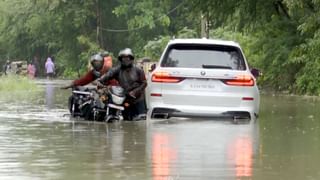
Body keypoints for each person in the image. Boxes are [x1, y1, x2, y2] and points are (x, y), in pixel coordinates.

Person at [96, 48, 147, 121]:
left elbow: (144, 83)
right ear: (121, 59)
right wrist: (100, 81)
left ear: (131, 58)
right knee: (126, 120)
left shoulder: (138, 70)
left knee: (141, 119)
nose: (125, 60)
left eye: (127, 58)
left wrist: (135, 92)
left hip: (138, 98)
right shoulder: (117, 69)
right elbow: (108, 75)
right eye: (123, 58)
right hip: (125, 97)